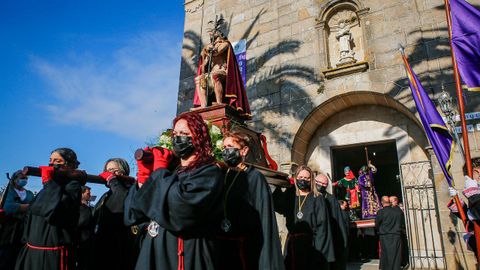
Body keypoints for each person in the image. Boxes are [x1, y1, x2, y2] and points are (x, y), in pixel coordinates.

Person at [124, 113, 224, 270]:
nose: (178, 138)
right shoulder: (171, 173)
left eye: (184, 134)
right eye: (175, 134)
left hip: (185, 252)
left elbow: (181, 210)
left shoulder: (209, 172)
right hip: (155, 251)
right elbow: (133, 214)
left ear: (199, 137)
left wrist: (160, 171)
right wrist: (144, 178)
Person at [216, 131, 284, 270]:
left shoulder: (254, 177)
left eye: (229, 146)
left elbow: (264, 219)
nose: (225, 151)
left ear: (244, 150)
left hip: (245, 250)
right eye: (223, 148)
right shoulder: (221, 175)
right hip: (220, 246)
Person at [15, 148, 83, 270]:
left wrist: (48, 183)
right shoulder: (48, 187)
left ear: (70, 164)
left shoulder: (72, 186)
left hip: (52, 254)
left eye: (57, 160)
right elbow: (33, 213)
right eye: (50, 161)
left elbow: (52, 212)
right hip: (31, 251)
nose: (52, 164)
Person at [273, 165, 334, 269]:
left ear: (311, 180)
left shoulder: (317, 198)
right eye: (300, 177)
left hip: (310, 245)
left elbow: (322, 227)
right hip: (292, 244)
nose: (303, 180)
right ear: (296, 178)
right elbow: (279, 207)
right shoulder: (291, 196)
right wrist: (277, 186)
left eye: (306, 178)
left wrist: (319, 252)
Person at [194, 26, 251, 119]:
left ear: (220, 34)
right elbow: (204, 61)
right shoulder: (208, 47)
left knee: (215, 75)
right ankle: (203, 104)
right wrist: (205, 54)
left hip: (222, 71)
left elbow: (217, 52)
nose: (212, 33)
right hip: (211, 71)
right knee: (198, 79)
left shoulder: (225, 44)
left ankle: (219, 102)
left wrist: (208, 50)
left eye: (215, 32)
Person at [90, 158, 137, 270]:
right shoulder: (106, 195)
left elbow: (120, 202)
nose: (110, 174)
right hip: (103, 248)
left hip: (122, 248)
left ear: (123, 172)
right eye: (107, 171)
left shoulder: (130, 190)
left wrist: (113, 181)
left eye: (114, 170)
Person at [0, 170, 34, 270]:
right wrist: (28, 207)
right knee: (5, 257)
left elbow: (35, 207)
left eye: (26, 178)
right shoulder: (8, 191)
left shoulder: (29, 193)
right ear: (15, 179)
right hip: (8, 229)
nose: (24, 180)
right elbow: (7, 207)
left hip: (24, 228)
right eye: (22, 177)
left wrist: (20, 207)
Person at [315, 173, 349, 270]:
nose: (322, 185)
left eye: (325, 184)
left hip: (329, 238)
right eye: (319, 183)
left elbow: (338, 220)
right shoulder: (309, 196)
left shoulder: (331, 199)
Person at [375, 196, 405, 270]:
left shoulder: (381, 212)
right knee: (396, 254)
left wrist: (380, 231)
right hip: (396, 234)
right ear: (389, 202)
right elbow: (401, 223)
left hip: (385, 235)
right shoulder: (397, 211)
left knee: (386, 254)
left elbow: (377, 224)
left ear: (382, 203)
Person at [76, 186, 93, 270]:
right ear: (81, 194)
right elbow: (82, 222)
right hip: (82, 241)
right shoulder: (82, 208)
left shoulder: (84, 207)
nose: (90, 195)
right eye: (88, 193)